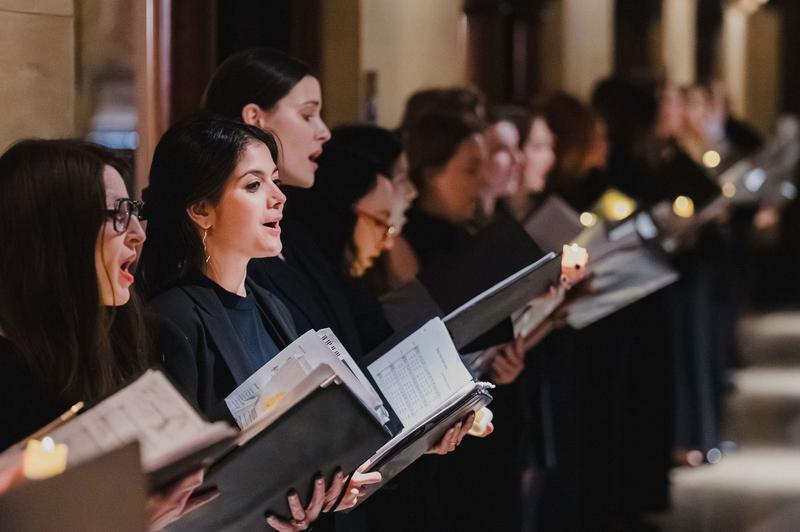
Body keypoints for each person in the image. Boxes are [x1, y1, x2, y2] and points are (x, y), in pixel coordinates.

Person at [138, 116, 373, 530]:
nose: (277, 198)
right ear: (200, 209)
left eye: (275, 181)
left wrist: (323, 487)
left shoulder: (272, 306)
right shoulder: (173, 319)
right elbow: (174, 493)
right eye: (253, 184)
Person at [0, 139, 211, 530]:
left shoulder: (138, 339)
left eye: (133, 212)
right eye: (117, 214)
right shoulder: (10, 376)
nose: (138, 233)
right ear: (55, 233)